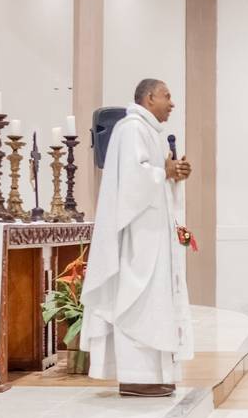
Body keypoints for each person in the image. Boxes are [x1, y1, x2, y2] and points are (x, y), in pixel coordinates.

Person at [80, 78, 193, 397]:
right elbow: (133, 180)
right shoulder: (131, 129)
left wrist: (174, 175)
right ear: (148, 98)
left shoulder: (147, 132)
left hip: (152, 235)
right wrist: (164, 173)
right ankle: (134, 377)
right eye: (166, 97)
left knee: (151, 302)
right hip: (137, 239)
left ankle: (151, 375)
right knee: (137, 300)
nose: (172, 103)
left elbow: (153, 178)